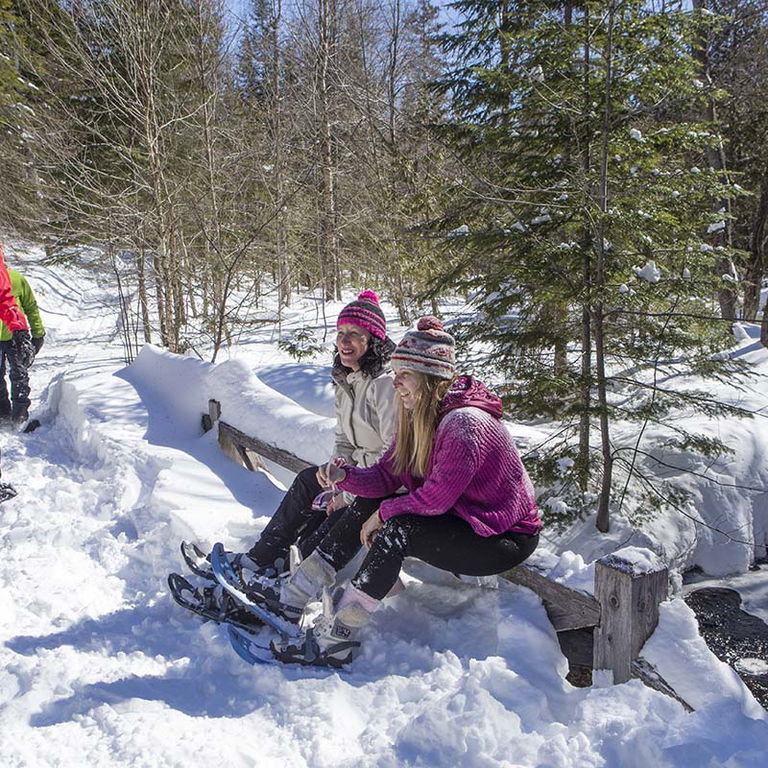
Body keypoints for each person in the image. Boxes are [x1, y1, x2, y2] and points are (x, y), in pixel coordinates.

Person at [241, 316, 541, 667]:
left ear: (431, 379)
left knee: (397, 530)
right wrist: (343, 476)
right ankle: (293, 596)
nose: (394, 382)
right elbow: (385, 476)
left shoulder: (465, 425)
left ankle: (337, 638)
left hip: (500, 537)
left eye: (404, 374)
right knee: (374, 501)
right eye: (395, 372)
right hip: (461, 519)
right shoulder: (416, 416)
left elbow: (435, 499)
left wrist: (382, 515)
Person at [178, 290, 397, 596]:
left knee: (337, 515)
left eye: (355, 334)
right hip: (355, 476)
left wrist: (347, 491)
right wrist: (335, 475)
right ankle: (261, 559)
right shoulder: (347, 380)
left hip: (382, 486)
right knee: (310, 480)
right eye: (340, 333)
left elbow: (393, 457)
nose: (344, 341)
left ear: (373, 339)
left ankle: (291, 576)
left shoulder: (384, 385)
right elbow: (344, 440)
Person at [0, 244, 35, 499]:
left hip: (8, 336)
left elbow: (5, 297)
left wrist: (21, 329)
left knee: (17, 374)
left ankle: (19, 410)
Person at [0, 260, 45, 425]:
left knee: (19, 374)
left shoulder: (17, 279)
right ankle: (3, 413)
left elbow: (31, 307)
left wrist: (38, 333)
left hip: (15, 336)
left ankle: (20, 414)